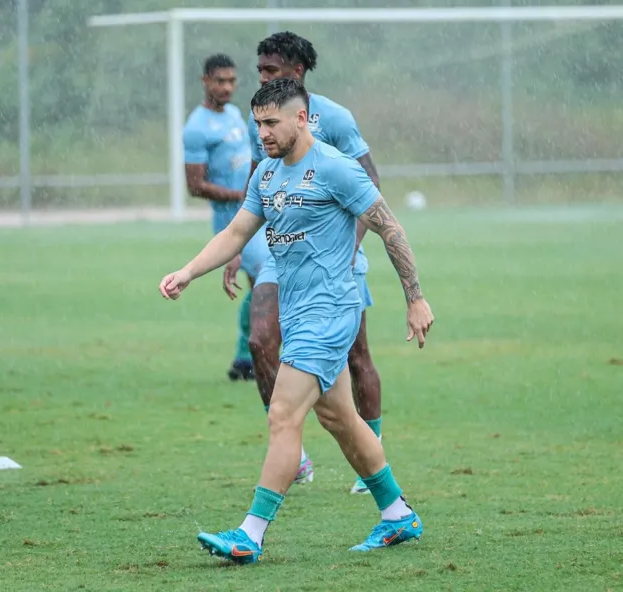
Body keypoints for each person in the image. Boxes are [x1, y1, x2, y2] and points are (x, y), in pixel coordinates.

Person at [160, 78, 433, 563]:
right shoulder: (266, 175)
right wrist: (187, 271)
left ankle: (250, 533)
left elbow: (390, 226)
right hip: (298, 311)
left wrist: (415, 298)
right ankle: (397, 514)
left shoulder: (334, 167)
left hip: (330, 313)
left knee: (283, 415)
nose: (261, 132)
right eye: (257, 122)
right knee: (341, 419)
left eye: (271, 122)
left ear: (301, 119)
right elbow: (237, 233)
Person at [223, 31, 382, 492]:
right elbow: (259, 183)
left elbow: (371, 188)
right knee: (259, 339)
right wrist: (237, 248)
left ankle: (372, 454)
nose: (263, 77)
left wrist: (348, 249)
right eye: (261, 70)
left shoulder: (333, 118)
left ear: (297, 71)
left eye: (271, 70)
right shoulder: (266, 120)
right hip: (280, 252)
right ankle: (291, 450)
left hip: (336, 257)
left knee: (357, 358)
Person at [183, 54, 270, 382]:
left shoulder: (236, 114)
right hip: (230, 222)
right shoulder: (196, 129)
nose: (227, 87)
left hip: (254, 216)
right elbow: (194, 185)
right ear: (206, 81)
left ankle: (247, 356)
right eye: (220, 81)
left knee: (263, 282)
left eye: (232, 81)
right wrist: (243, 195)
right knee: (267, 278)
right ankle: (249, 352)